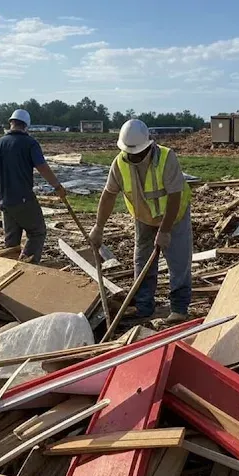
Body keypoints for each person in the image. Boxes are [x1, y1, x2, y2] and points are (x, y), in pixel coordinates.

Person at [89, 119, 192, 324]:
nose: (133, 157)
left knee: (178, 262)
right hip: (143, 218)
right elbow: (109, 195)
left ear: (148, 146)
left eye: (137, 153)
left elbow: (174, 196)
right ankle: (144, 307)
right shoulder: (120, 162)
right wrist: (98, 227)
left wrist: (165, 230)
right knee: (142, 260)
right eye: (130, 153)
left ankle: (179, 309)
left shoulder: (166, 158)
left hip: (174, 216)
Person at [0, 109, 66, 263]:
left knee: (11, 243)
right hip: (24, 199)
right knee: (37, 232)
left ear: (11, 123)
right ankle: (27, 266)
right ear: (26, 126)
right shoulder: (30, 143)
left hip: (4, 200)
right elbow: (43, 168)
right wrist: (57, 187)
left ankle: (9, 269)